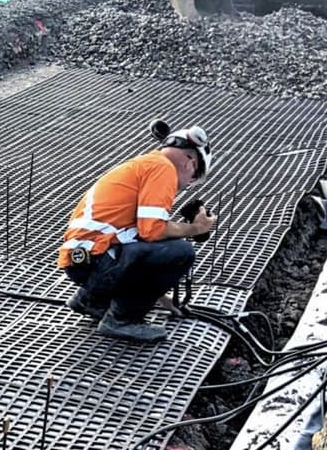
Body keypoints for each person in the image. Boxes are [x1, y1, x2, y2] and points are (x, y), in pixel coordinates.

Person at [58, 126, 216, 342]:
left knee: (153, 244)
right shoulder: (163, 168)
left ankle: (91, 300)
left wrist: (158, 297)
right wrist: (196, 229)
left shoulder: (146, 164)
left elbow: (138, 238)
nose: (189, 180)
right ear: (191, 162)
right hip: (96, 260)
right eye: (194, 175)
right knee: (181, 251)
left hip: (80, 260)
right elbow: (152, 230)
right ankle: (122, 320)